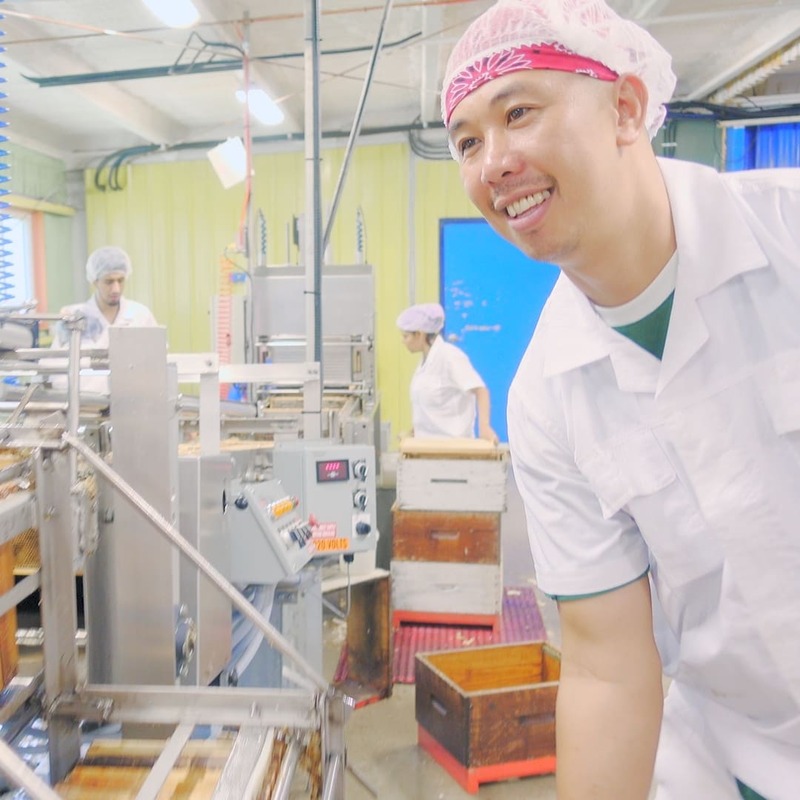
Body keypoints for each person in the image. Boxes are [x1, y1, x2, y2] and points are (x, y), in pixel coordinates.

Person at [442, 1, 800, 799]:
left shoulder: (788, 234)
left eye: (519, 112)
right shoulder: (545, 395)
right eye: (467, 141)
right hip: (731, 762)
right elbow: (608, 665)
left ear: (626, 109)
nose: (493, 161)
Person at [50, 245, 158, 394]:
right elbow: (56, 371)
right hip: (84, 406)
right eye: (109, 282)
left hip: (132, 404)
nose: (116, 289)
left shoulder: (140, 315)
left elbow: (156, 364)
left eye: (120, 281)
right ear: (94, 281)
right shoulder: (75, 317)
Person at [396, 302, 498, 443]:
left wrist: (484, 428)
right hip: (426, 447)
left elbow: (481, 391)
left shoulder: (450, 357)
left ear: (419, 334)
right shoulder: (424, 364)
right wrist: (414, 431)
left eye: (406, 336)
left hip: (453, 448)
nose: (403, 341)